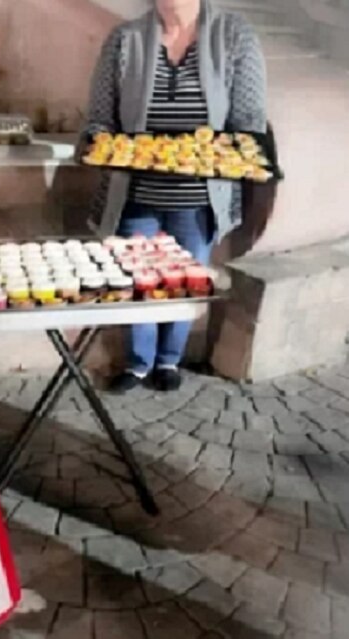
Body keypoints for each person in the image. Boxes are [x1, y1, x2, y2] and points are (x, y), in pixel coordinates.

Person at [82, 0, 266, 393]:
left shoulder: (234, 36)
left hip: (200, 196)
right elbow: (99, 118)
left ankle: (169, 360)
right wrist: (100, 146)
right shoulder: (125, 40)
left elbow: (249, 124)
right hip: (135, 191)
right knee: (139, 280)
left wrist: (227, 156)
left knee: (187, 279)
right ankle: (139, 363)